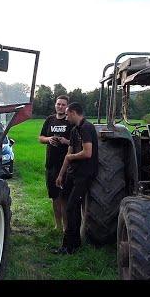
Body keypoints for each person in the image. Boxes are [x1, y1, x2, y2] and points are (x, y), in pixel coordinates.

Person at [53, 102, 98, 254]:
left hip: (84, 174)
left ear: (73, 112)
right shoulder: (74, 131)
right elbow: (69, 153)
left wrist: (71, 156)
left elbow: (88, 153)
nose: (66, 117)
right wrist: (61, 174)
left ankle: (69, 246)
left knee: (72, 207)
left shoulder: (87, 128)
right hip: (72, 173)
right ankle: (74, 242)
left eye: (67, 114)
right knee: (67, 204)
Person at [38, 95, 72, 232]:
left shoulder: (70, 121)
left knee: (64, 197)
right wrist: (49, 139)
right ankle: (57, 225)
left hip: (65, 165)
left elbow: (77, 142)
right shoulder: (50, 120)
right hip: (51, 164)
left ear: (67, 107)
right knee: (54, 197)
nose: (60, 106)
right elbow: (40, 138)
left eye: (63, 105)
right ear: (55, 105)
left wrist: (66, 141)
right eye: (58, 104)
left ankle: (66, 227)